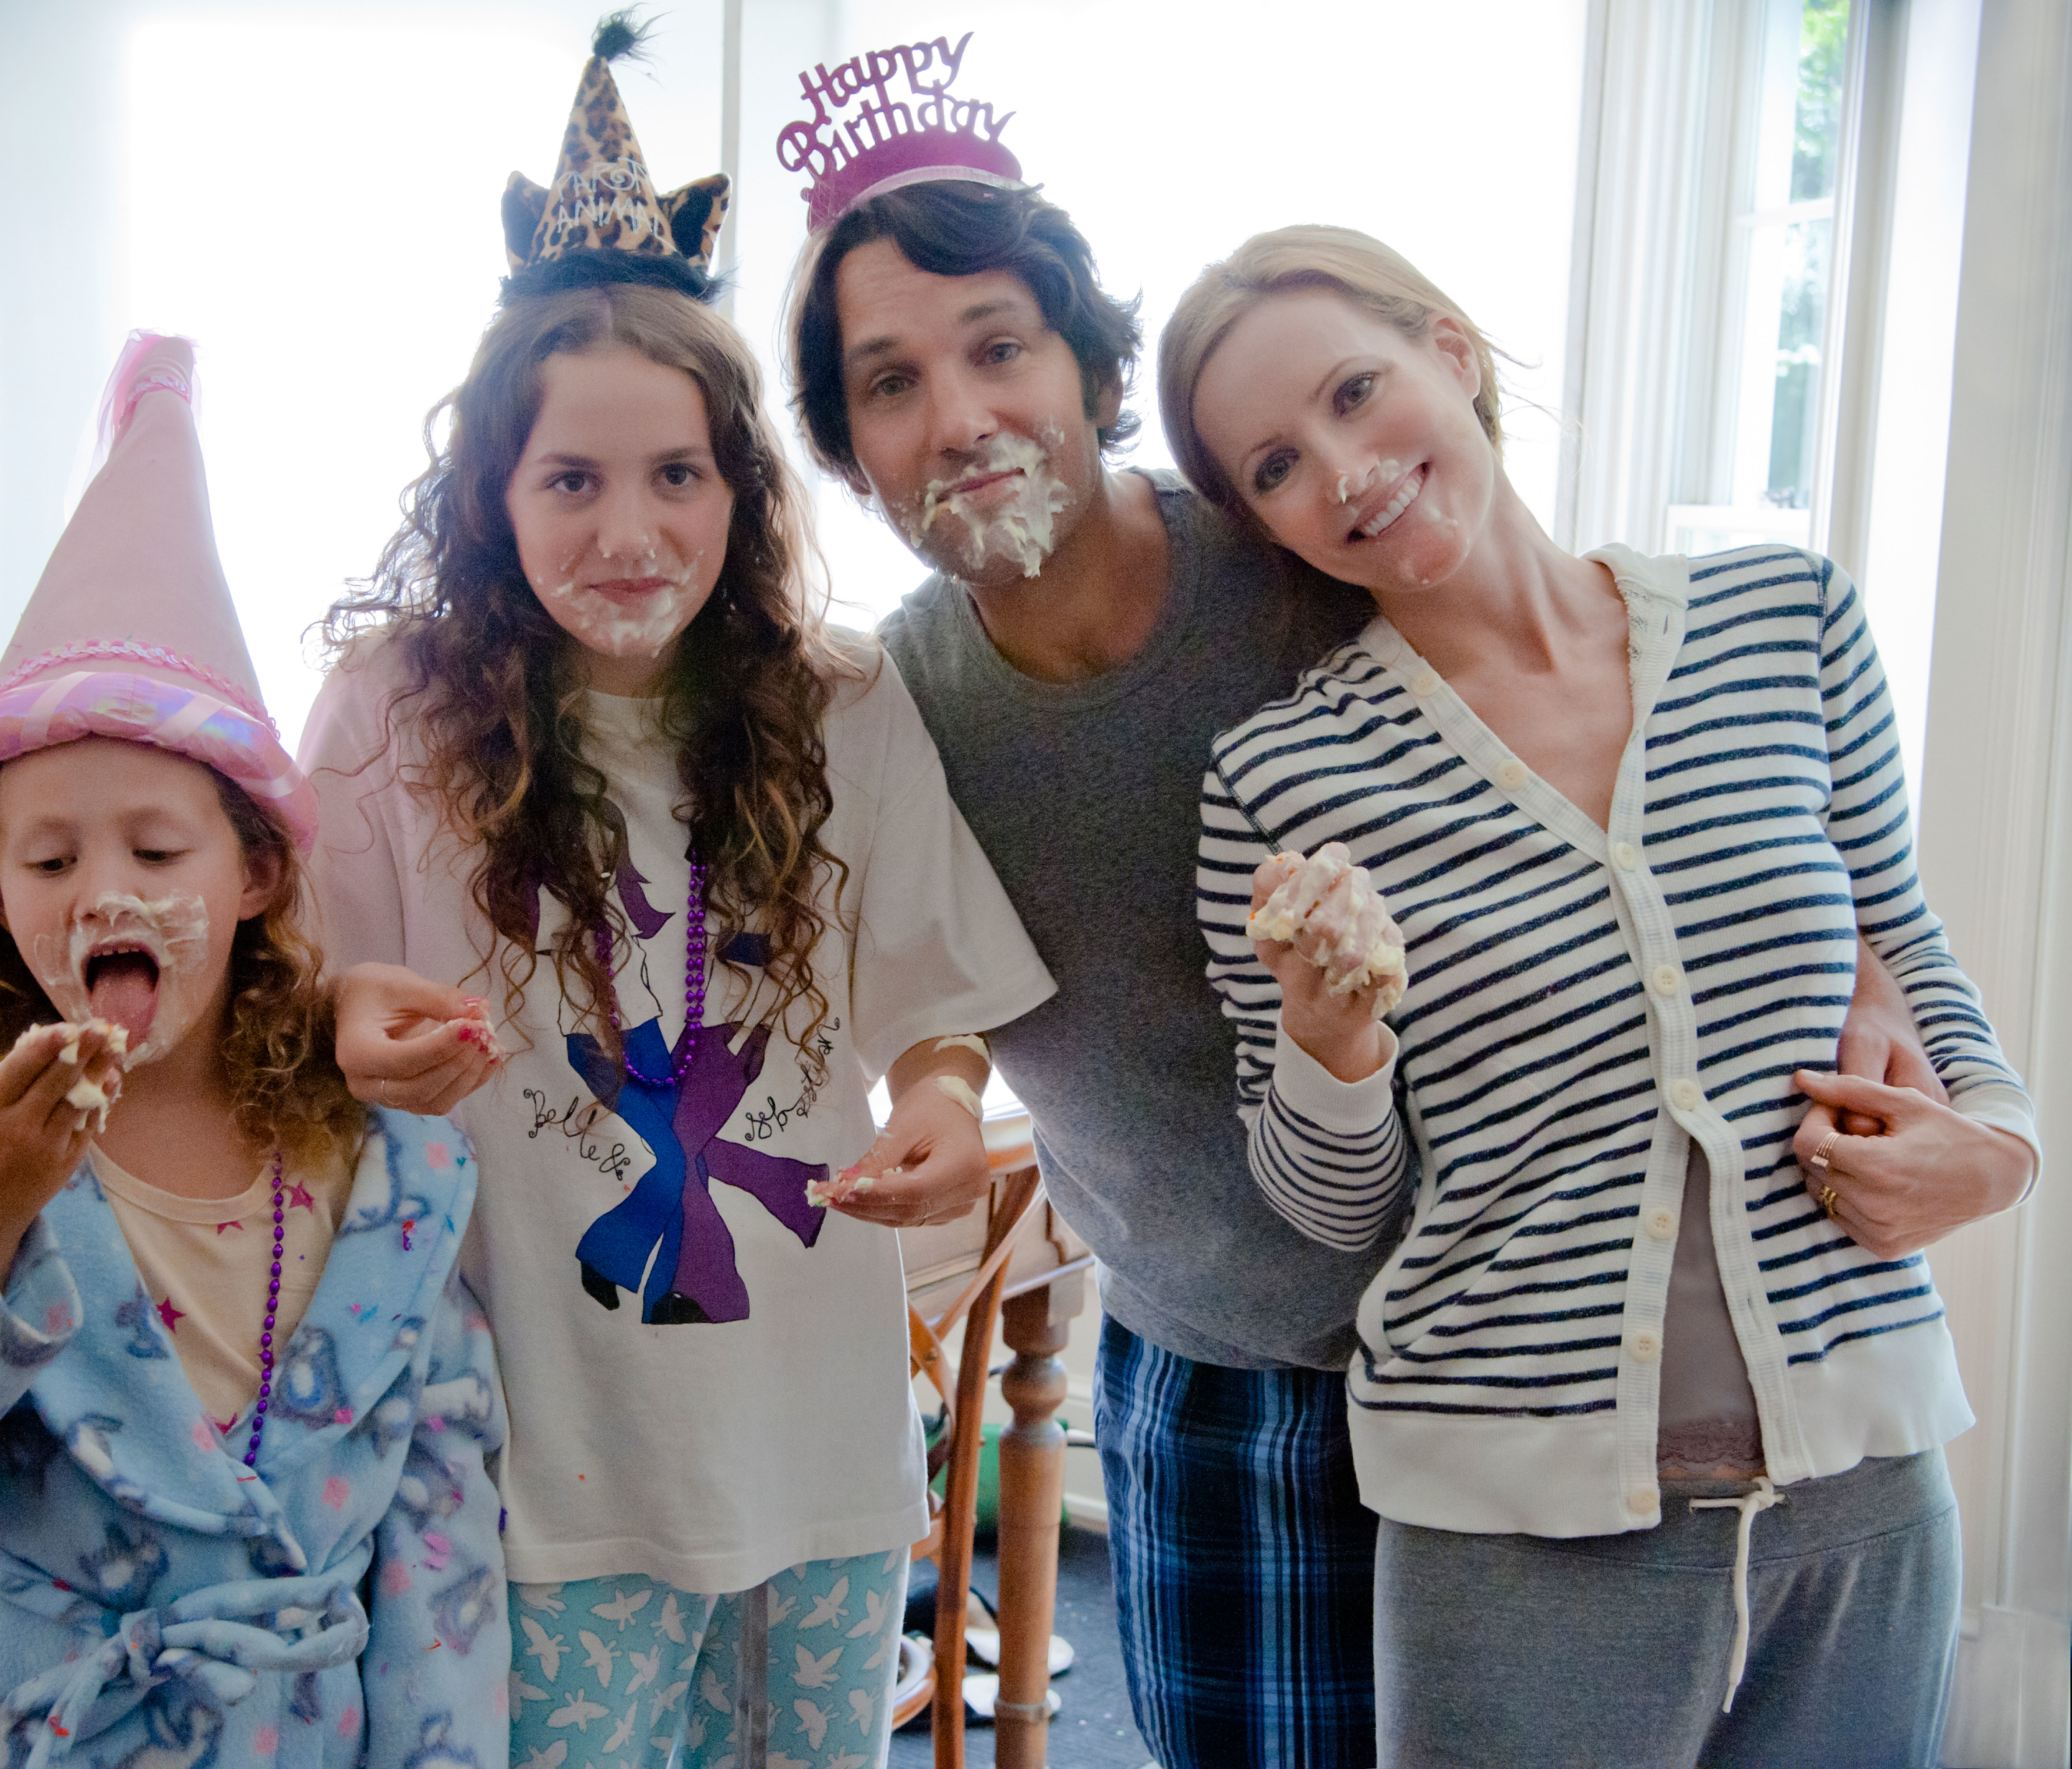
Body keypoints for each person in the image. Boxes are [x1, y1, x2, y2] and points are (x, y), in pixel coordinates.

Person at [772, 35, 1985, 1767]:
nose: (959, 418)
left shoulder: (1303, 547)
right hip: (1232, 1368)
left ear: (1092, 363)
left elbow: (1629, 739)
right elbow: (921, 971)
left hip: (1545, 1358)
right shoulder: (896, 712)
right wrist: (944, 1090)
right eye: (889, 385)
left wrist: (1867, 954)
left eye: (998, 347)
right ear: (850, 453)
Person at [1167, 224, 2040, 1767]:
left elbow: (1909, 939)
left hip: (1866, 1482)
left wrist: (2001, 1146)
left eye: (1358, 391)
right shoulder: (1282, 777)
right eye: (1277, 465)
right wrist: (1331, 1040)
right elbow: (1331, 1205)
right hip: (1513, 1527)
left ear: (1453, 349)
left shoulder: (1789, 623)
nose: (1346, 467)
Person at [300, 24, 1054, 1767]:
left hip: (817, 1437)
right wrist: (337, 1017)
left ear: (743, 488)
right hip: (541, 1454)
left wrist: (941, 1095)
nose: (628, 528)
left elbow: (931, 1002)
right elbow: (279, 1005)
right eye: (571, 477)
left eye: (678, 476)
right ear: (493, 493)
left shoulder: (839, 703)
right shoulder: (390, 718)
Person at [0, 335, 508, 1767]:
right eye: (45, 857)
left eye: (158, 846)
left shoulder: (387, 1171)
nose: (102, 890)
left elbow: (441, 1559)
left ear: (256, 879)